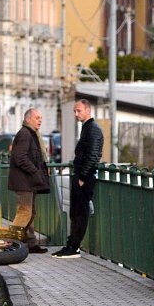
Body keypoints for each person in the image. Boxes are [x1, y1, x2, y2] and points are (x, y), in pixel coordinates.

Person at [52, 99, 104, 259]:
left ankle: (73, 247)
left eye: (78, 110)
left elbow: (93, 154)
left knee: (80, 213)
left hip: (84, 178)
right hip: (81, 175)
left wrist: (82, 176)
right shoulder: (87, 128)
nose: (76, 114)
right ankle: (71, 245)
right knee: (75, 212)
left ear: (88, 110)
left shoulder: (93, 129)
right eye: (75, 111)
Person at [7, 108, 51, 254]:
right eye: (37, 117)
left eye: (41, 118)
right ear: (28, 119)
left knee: (30, 212)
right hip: (24, 180)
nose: (40, 120)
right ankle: (10, 243)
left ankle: (30, 243)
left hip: (28, 181)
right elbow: (20, 157)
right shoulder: (26, 134)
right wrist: (35, 171)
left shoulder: (31, 134)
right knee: (25, 212)